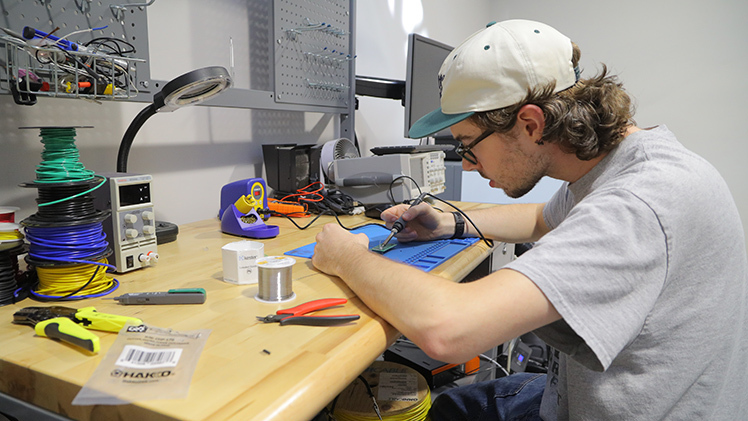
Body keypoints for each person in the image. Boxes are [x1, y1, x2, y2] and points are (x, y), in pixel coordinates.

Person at [312, 19, 748, 420]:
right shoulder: (620, 164)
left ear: (530, 123)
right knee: (455, 406)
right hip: (591, 395)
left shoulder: (641, 203)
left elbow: (449, 330)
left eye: (467, 144)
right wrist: (451, 223)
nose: (465, 165)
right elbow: (544, 218)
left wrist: (346, 257)